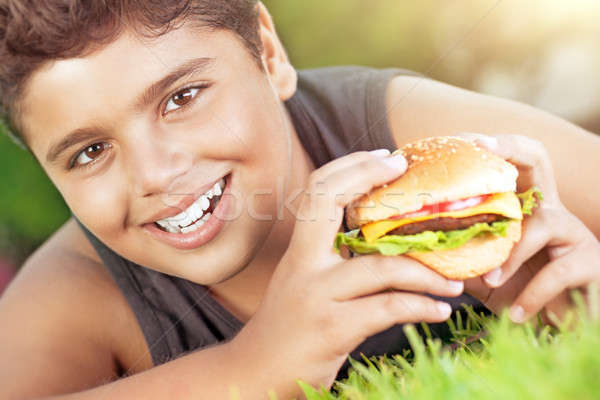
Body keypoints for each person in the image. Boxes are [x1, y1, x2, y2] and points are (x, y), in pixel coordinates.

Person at [0, 1, 598, 399]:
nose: (155, 174)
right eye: (88, 153)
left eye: (183, 97)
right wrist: (253, 367)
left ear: (268, 52)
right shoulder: (78, 293)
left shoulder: (401, 130)